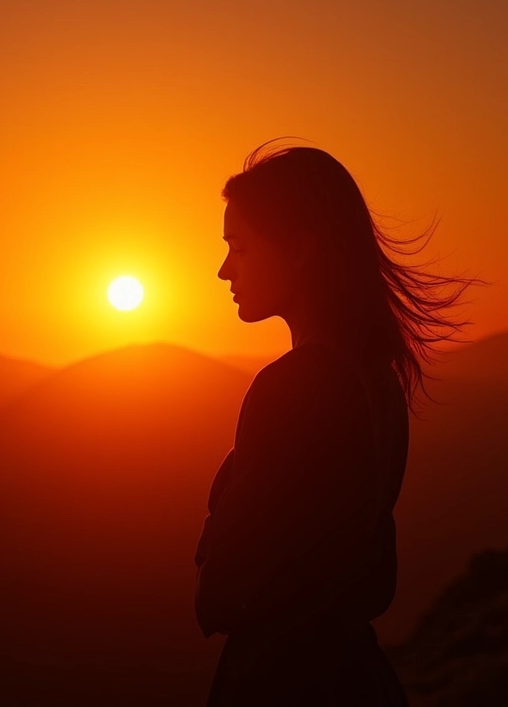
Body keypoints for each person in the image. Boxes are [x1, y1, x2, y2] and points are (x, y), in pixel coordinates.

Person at [194, 142, 474, 706]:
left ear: (299, 248)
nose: (225, 269)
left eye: (240, 248)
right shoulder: (377, 377)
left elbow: (225, 588)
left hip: (285, 681)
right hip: (352, 674)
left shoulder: (295, 385)